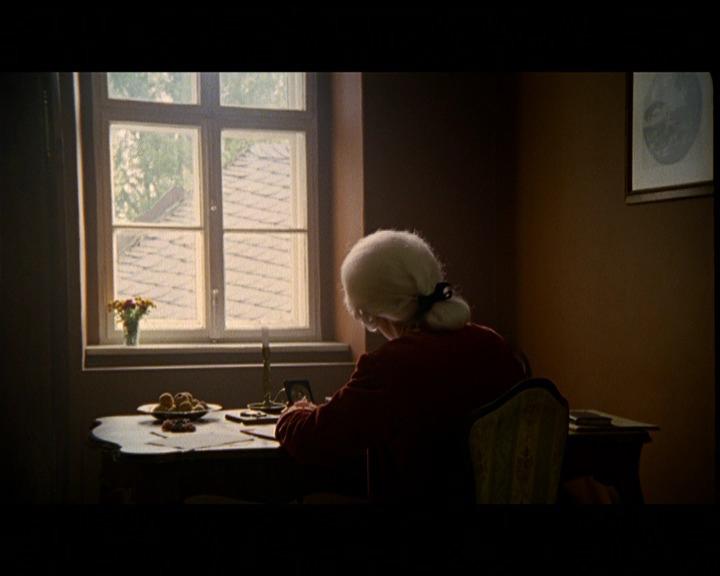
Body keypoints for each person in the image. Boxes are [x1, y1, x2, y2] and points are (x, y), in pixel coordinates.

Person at [275, 229, 525, 504]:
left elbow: (317, 439)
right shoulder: (493, 345)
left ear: (371, 313)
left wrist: (293, 414)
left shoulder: (390, 365)